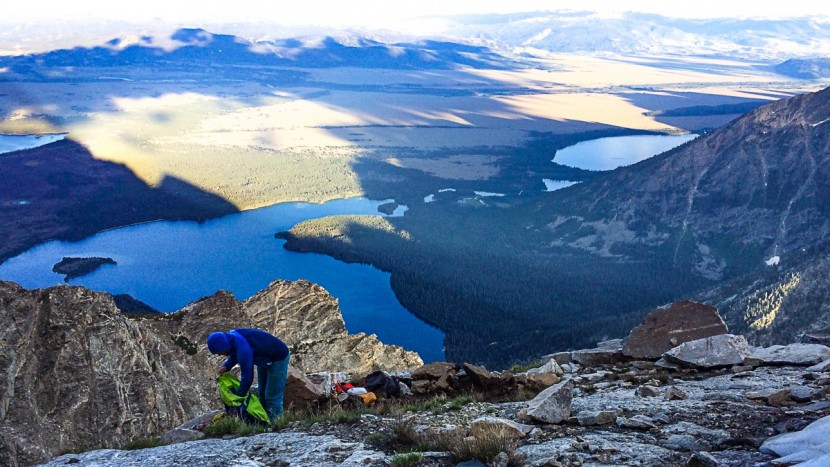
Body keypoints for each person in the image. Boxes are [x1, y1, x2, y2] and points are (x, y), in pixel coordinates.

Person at [207, 328, 290, 423]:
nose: (219, 354)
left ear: (223, 346)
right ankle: (265, 420)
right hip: (264, 358)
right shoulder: (231, 338)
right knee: (261, 392)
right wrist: (226, 366)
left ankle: (277, 423)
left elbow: (247, 377)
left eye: (219, 351)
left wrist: (238, 397)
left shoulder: (243, 349)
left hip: (278, 357)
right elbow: (234, 353)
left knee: (272, 397)